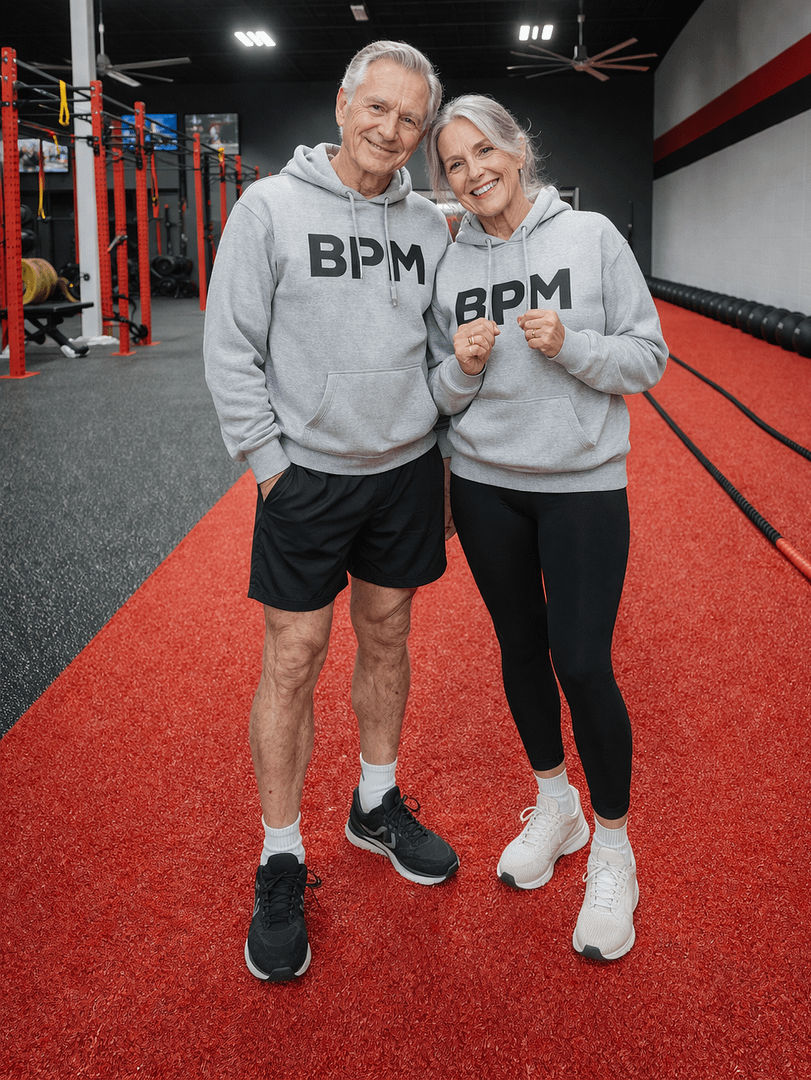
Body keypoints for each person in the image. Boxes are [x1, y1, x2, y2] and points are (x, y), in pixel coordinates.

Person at [203, 41, 458, 983]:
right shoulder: (269, 207)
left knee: (387, 636)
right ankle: (280, 853)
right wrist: (270, 468)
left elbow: (441, 349)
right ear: (344, 103)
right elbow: (230, 348)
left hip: (403, 472)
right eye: (378, 109)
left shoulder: (431, 225)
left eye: (409, 120)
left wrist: (445, 428)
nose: (390, 131)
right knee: (296, 654)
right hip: (305, 477)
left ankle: (375, 804)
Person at [425, 95, 667, 961]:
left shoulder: (592, 236)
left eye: (484, 150)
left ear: (517, 148)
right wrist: (459, 368)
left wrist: (573, 345)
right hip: (486, 486)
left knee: (583, 661)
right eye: (454, 164)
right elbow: (435, 393)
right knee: (520, 649)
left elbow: (648, 356)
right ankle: (554, 803)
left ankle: (613, 847)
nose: (473, 171)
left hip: (583, 485)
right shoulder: (450, 263)